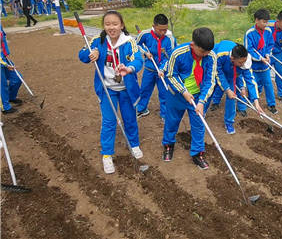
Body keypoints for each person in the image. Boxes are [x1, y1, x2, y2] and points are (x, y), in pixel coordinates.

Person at [78, 11, 144, 174]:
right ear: (104, 26)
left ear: (121, 25)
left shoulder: (130, 42)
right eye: (107, 24)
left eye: (115, 24)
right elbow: (82, 55)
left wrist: (129, 68)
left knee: (129, 119)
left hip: (126, 90)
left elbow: (138, 60)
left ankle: (134, 144)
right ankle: (107, 155)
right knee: (109, 122)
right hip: (107, 89)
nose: (111, 27)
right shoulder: (97, 41)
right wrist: (91, 54)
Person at [159, 27, 216, 169]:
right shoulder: (178, 53)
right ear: (193, 45)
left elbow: (210, 81)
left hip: (197, 96)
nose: (205, 55)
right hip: (177, 94)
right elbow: (171, 75)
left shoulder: (211, 56)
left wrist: (202, 101)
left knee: (198, 124)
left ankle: (197, 153)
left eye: (208, 51)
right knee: (172, 121)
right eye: (202, 51)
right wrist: (183, 91)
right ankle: (168, 145)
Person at [207, 40, 263, 134]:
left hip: (230, 72)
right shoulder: (220, 55)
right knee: (210, 89)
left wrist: (256, 103)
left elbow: (250, 81)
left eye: (244, 62)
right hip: (215, 68)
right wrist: (227, 89)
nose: (243, 64)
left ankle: (229, 122)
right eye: (241, 62)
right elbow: (218, 73)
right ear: (232, 58)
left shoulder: (244, 62)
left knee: (232, 96)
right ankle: (202, 112)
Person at [135, 14, 174, 120]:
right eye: (160, 30)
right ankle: (141, 109)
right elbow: (136, 45)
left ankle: (165, 114)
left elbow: (170, 57)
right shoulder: (145, 34)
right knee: (144, 90)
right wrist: (145, 53)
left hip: (163, 70)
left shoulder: (169, 38)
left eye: (165, 30)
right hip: (149, 69)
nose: (163, 32)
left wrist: (162, 69)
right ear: (154, 26)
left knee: (164, 92)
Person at [244, 8, 277, 114]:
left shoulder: (268, 31)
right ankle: (251, 101)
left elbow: (270, 45)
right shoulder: (249, 33)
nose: (266, 24)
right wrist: (259, 58)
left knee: (268, 84)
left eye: (267, 22)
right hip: (254, 66)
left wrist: (267, 55)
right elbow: (248, 50)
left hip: (265, 66)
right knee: (254, 84)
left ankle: (271, 104)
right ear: (256, 20)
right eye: (263, 22)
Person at [0, 26, 23, 114]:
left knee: (17, 78)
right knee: (2, 85)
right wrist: (4, 64)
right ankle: (5, 107)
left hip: (4, 57)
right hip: (1, 61)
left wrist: (6, 53)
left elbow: (3, 39)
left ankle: (11, 97)